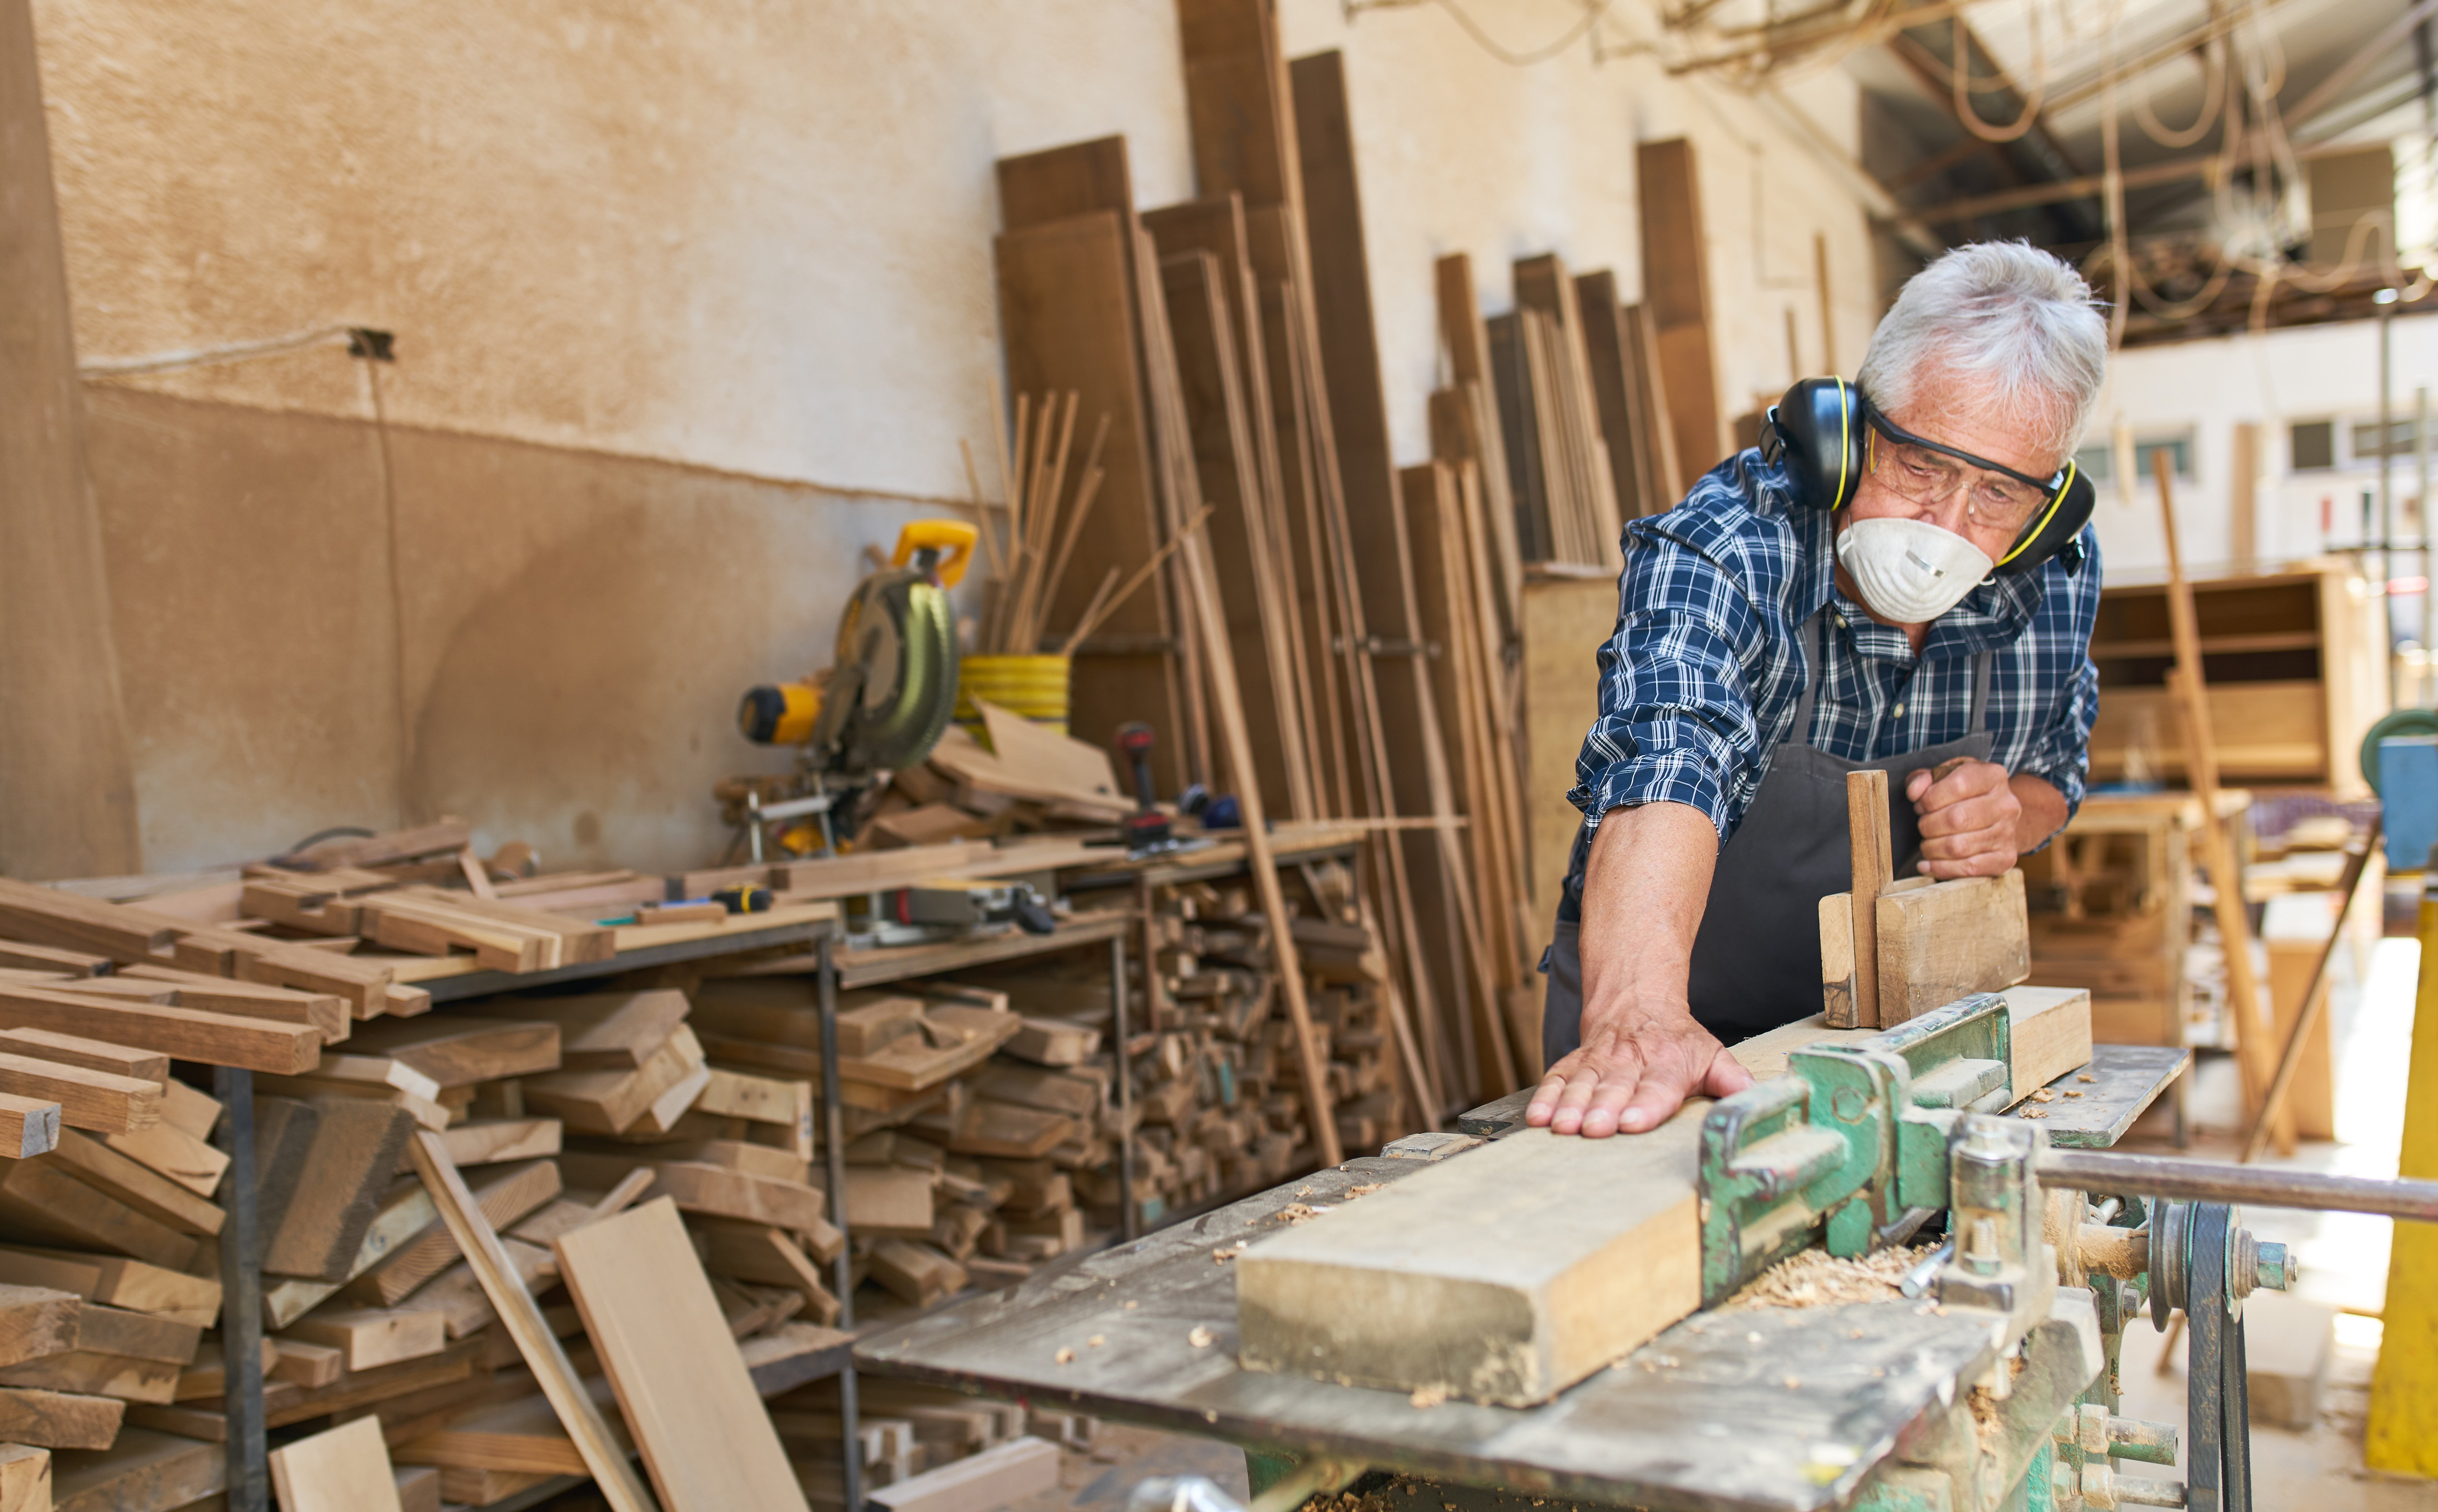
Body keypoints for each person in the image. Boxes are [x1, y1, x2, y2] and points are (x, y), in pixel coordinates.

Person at [1527, 240, 2109, 1140]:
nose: (1946, 528)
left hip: (1898, 1042)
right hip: (1679, 1026)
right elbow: (1665, 755)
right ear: (1849, 432)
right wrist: (1639, 1015)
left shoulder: (2054, 578)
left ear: (2048, 508)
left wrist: (2008, 817)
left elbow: (2054, 775)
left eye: (1997, 494)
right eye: (1921, 468)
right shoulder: (1730, 546)